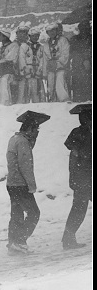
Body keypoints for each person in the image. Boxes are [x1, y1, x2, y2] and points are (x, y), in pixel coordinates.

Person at [5, 111, 50, 254]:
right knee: (34, 213)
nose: (36, 133)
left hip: (12, 183)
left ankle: (13, 242)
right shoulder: (23, 142)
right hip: (21, 184)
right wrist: (31, 185)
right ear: (30, 129)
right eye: (35, 130)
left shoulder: (14, 139)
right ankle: (19, 240)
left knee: (16, 214)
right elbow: (25, 165)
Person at [62, 104, 92, 250]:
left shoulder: (77, 133)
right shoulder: (85, 135)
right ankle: (68, 239)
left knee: (78, 209)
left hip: (81, 179)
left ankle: (68, 238)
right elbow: (84, 157)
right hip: (85, 179)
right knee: (79, 209)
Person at [45, 23, 70, 102]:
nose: (52, 32)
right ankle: (52, 100)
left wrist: (57, 63)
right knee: (51, 84)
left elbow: (65, 54)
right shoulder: (46, 43)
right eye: (49, 31)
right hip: (51, 68)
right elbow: (45, 58)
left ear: (56, 31)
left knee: (60, 80)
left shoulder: (63, 40)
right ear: (47, 33)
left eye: (53, 30)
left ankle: (64, 100)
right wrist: (46, 69)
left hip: (61, 67)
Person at [69, 20, 92, 102]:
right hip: (78, 66)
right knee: (78, 78)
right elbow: (72, 52)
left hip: (90, 65)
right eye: (83, 28)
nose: (84, 30)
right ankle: (79, 98)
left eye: (87, 28)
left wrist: (88, 59)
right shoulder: (74, 39)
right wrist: (83, 59)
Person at [0, 31, 18, 106]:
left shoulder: (13, 46)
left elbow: (10, 59)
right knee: (1, 90)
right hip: (1, 72)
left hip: (9, 71)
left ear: (5, 37)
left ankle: (7, 106)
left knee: (5, 87)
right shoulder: (0, 49)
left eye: (0, 35)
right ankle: (3, 106)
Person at [26, 28, 48, 103]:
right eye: (33, 36)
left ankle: (39, 105)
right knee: (28, 90)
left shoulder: (41, 47)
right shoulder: (25, 46)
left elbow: (42, 60)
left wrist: (40, 70)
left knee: (39, 90)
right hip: (29, 71)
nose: (35, 37)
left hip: (38, 70)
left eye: (37, 36)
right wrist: (27, 69)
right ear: (30, 36)